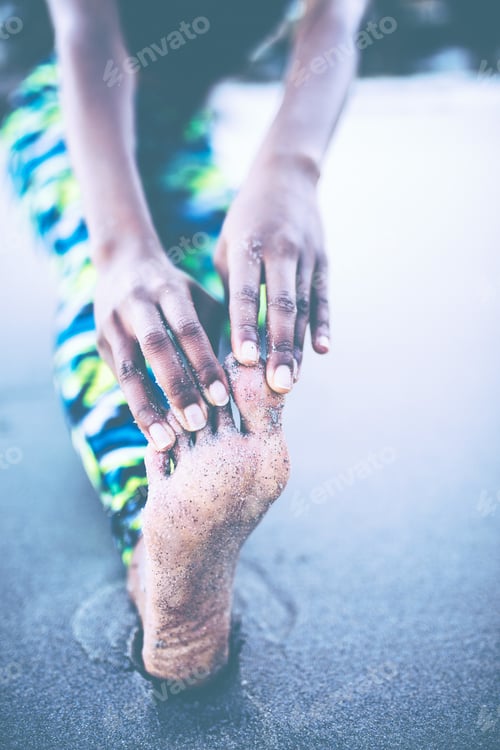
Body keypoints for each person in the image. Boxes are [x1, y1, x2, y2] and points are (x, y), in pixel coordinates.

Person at [0, 0, 368, 682]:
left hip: (179, 118)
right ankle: (153, 541)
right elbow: (85, 27)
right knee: (113, 289)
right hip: (63, 100)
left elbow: (336, 19)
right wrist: (119, 250)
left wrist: (292, 172)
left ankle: (195, 477)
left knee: (212, 276)